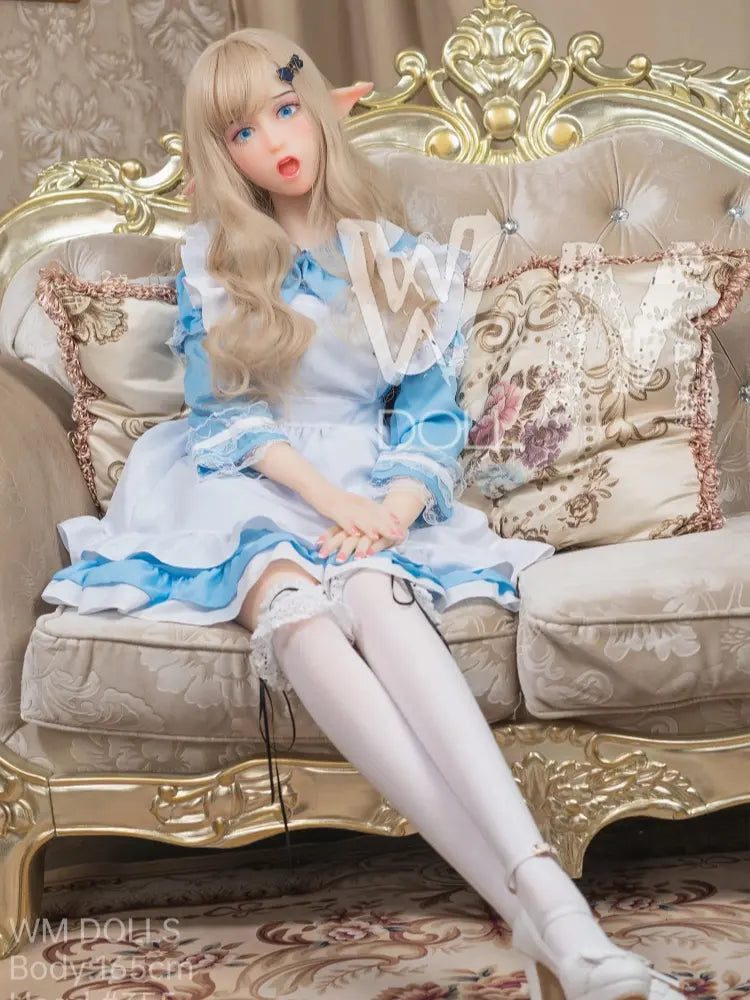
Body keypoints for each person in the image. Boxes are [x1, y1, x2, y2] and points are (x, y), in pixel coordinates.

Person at [41, 28, 683, 1000]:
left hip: (368, 477)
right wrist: (333, 501)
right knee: (295, 608)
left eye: (284, 109)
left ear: (323, 109)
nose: (273, 141)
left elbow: (429, 415)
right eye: (242, 130)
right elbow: (225, 415)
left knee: (380, 596)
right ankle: (556, 919)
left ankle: (553, 914)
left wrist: (390, 505)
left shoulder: (396, 261)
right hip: (241, 476)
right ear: (225, 154)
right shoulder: (217, 256)